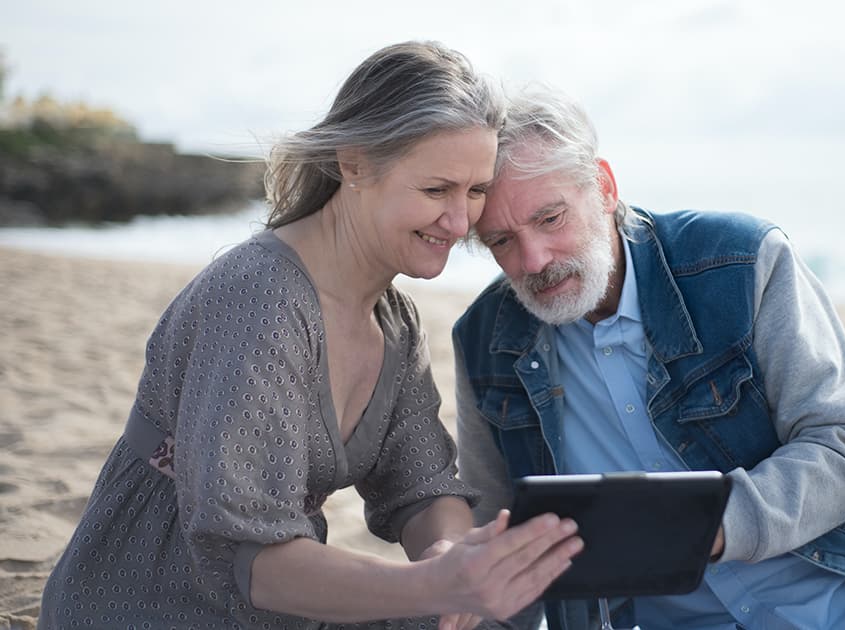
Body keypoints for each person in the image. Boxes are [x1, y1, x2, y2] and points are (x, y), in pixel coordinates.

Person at [39, 42, 583, 630]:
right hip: (156, 607)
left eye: (475, 192)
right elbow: (253, 563)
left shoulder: (393, 321)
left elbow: (423, 487)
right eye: (435, 190)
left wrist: (448, 556)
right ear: (353, 165)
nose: (459, 223)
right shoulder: (260, 298)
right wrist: (428, 585)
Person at [452, 86, 845, 630]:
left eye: (550, 219)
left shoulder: (740, 261)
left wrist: (707, 526)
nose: (533, 260)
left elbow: (844, 445)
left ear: (603, 188)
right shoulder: (484, 341)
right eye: (501, 241)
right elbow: (498, 533)